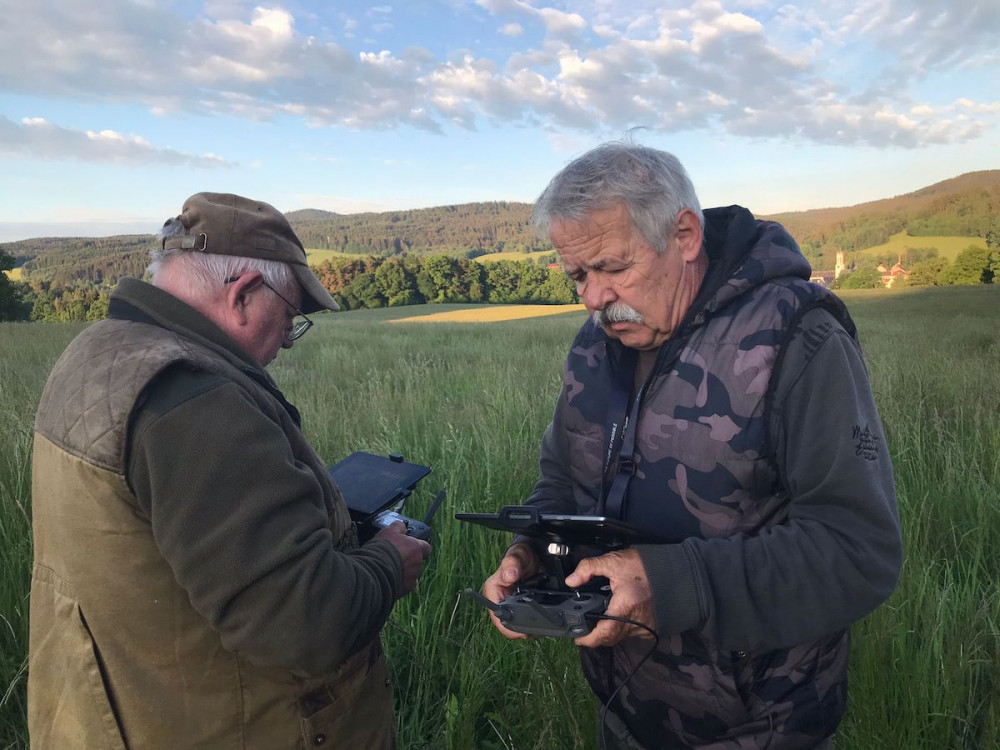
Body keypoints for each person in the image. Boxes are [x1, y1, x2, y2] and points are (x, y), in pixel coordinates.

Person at [482, 142, 902, 749]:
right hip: (625, 712)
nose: (593, 298)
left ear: (684, 235)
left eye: (611, 267)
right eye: (578, 276)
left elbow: (858, 550)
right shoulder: (596, 345)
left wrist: (672, 585)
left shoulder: (797, 340)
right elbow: (563, 477)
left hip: (760, 725)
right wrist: (536, 552)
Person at [28, 192, 431, 748]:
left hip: (115, 716)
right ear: (243, 294)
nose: (287, 340)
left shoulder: (95, 354)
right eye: (289, 317)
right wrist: (389, 562)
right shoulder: (198, 402)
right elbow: (305, 625)